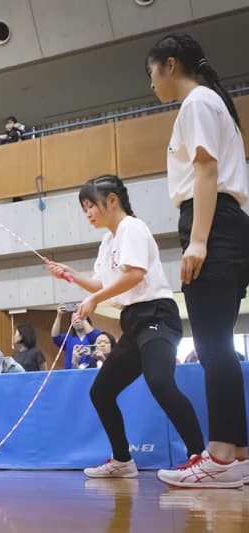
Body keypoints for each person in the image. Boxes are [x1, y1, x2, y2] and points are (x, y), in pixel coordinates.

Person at [48, 175, 205, 481]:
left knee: (160, 381)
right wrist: (70, 275)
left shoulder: (132, 227)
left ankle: (198, 455)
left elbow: (134, 275)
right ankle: (122, 460)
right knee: (101, 391)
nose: (88, 213)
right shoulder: (108, 241)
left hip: (157, 314)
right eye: (84, 209)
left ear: (112, 201)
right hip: (133, 321)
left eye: (90, 205)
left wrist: (94, 299)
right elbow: (102, 282)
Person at [145, 34, 249, 489]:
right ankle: (238, 455)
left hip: (214, 225)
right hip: (222, 222)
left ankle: (221, 457)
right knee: (216, 344)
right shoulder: (206, 103)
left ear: (170, 65)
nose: (151, 83)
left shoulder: (197, 103)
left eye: (151, 72)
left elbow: (206, 170)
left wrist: (199, 242)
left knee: (211, 345)